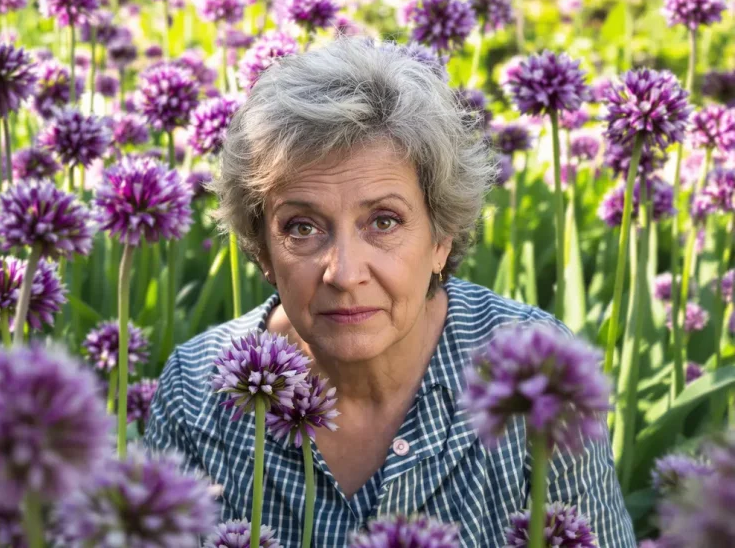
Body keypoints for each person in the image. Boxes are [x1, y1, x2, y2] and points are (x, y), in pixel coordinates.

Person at [144, 37, 635, 547]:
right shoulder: (197, 391)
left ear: (441, 238)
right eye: (303, 228)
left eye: (384, 221)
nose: (345, 272)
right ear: (262, 251)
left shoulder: (534, 370)